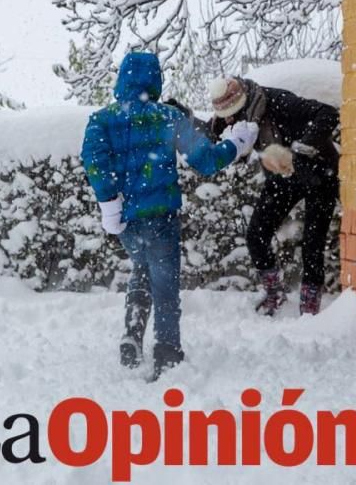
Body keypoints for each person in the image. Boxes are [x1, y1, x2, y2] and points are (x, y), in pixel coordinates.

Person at [81, 52, 258, 380]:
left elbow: (93, 160)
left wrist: (109, 203)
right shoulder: (168, 117)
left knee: (141, 268)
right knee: (164, 287)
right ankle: (167, 352)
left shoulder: (101, 120)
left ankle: (132, 335)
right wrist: (235, 143)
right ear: (155, 80)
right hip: (161, 218)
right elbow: (204, 160)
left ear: (122, 79)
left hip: (125, 221)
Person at [207, 76, 339, 317]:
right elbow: (212, 133)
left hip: (319, 171)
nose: (229, 119)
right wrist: (185, 117)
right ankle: (273, 293)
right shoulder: (230, 117)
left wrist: (299, 150)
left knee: (313, 243)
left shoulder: (279, 101)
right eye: (224, 114)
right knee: (256, 234)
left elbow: (328, 113)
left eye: (233, 112)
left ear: (244, 100)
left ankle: (310, 309)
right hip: (283, 178)